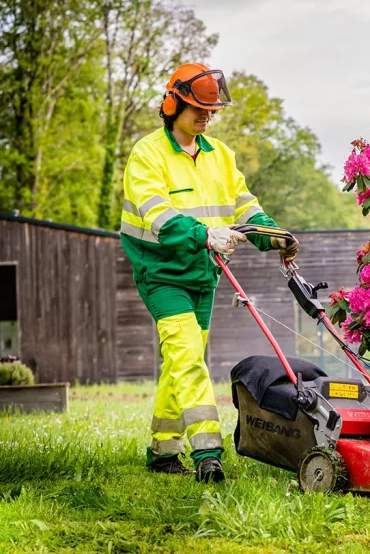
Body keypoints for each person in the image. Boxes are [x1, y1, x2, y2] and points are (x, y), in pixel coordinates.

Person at [120, 63, 298, 482]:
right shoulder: (148, 154)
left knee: (181, 360)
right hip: (162, 273)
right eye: (199, 108)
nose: (207, 116)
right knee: (187, 357)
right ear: (172, 104)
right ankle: (207, 452)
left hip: (204, 274)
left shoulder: (220, 155)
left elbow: (243, 204)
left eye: (212, 110)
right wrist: (204, 235)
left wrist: (273, 235)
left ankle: (163, 451)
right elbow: (159, 217)